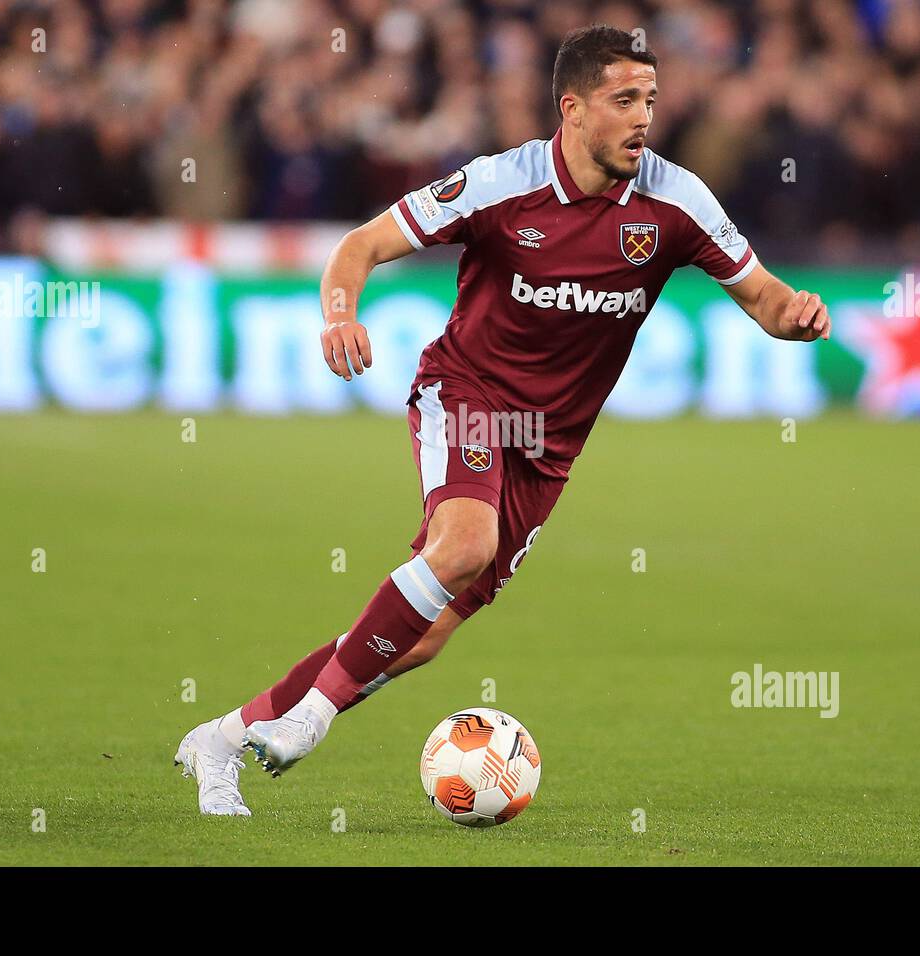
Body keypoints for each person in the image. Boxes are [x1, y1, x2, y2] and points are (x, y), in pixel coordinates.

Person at [174, 24, 830, 815]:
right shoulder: (498, 184)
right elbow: (360, 245)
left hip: (549, 449)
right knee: (463, 546)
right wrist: (339, 316)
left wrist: (792, 317)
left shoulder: (675, 200)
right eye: (624, 100)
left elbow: (763, 297)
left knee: (422, 636)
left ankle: (225, 735)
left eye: (650, 100)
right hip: (468, 395)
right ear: (573, 108)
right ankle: (310, 720)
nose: (642, 118)